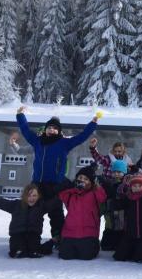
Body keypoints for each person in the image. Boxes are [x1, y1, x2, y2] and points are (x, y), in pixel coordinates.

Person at [15, 106, 100, 254]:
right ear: (46, 129)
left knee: (56, 213)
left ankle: (59, 238)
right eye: (49, 128)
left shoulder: (64, 143)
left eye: (55, 128)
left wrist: (93, 123)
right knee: (34, 212)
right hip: (37, 184)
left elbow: (81, 137)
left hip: (55, 185)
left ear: (59, 131)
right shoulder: (37, 142)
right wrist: (20, 115)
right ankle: (31, 238)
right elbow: (26, 131)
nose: (52, 130)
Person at [0, 180, 54, 258]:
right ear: (24, 196)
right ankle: (18, 250)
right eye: (29, 195)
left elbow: (56, 202)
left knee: (35, 249)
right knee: (16, 251)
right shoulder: (16, 205)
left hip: (33, 234)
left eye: (34, 196)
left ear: (38, 196)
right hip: (17, 234)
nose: (31, 198)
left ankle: (51, 243)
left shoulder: (41, 206)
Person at [57, 166, 107, 260]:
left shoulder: (94, 193)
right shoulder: (70, 194)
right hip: (70, 232)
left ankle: (95, 245)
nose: (82, 181)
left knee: (86, 256)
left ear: (91, 182)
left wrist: (97, 186)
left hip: (88, 233)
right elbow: (61, 194)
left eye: (86, 179)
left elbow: (102, 197)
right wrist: (75, 188)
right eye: (80, 178)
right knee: (65, 256)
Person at [112, 168, 142, 263]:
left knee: (140, 258)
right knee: (119, 256)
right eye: (135, 186)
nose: (137, 188)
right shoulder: (128, 197)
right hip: (129, 231)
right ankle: (130, 251)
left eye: (140, 186)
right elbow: (118, 204)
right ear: (131, 187)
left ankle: (138, 252)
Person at [98, 160, 128, 251]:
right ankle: (108, 243)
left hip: (122, 213)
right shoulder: (109, 183)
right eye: (114, 172)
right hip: (110, 212)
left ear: (124, 172)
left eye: (119, 172)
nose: (116, 174)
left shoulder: (126, 184)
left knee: (121, 230)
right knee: (109, 229)